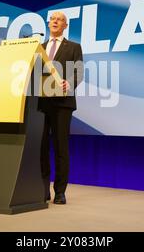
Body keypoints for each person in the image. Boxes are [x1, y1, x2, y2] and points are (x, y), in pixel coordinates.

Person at [38, 11, 83, 205]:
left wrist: (69, 83)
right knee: (40, 147)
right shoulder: (38, 47)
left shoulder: (73, 47)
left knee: (60, 147)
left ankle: (60, 191)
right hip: (40, 103)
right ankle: (42, 189)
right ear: (49, 24)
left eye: (60, 20)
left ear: (65, 26)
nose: (55, 21)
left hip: (63, 103)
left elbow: (78, 72)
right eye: (53, 19)